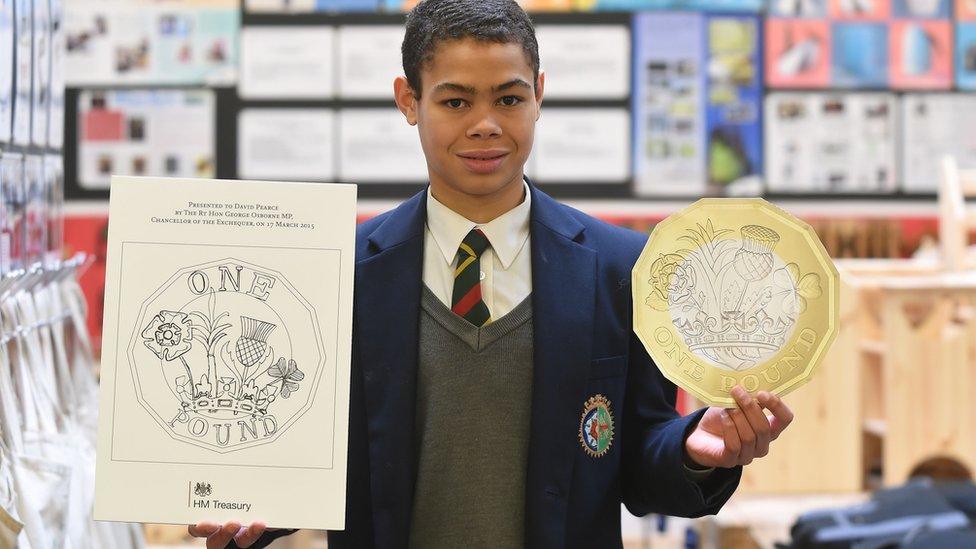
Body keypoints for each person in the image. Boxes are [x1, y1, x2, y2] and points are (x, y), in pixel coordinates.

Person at [189, 1, 794, 547]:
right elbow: (316, 458)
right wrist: (249, 506)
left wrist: (695, 451)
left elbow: (640, 459)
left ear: (539, 95)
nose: (485, 124)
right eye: (455, 101)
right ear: (408, 100)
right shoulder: (340, 271)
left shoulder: (620, 267)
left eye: (509, 98)